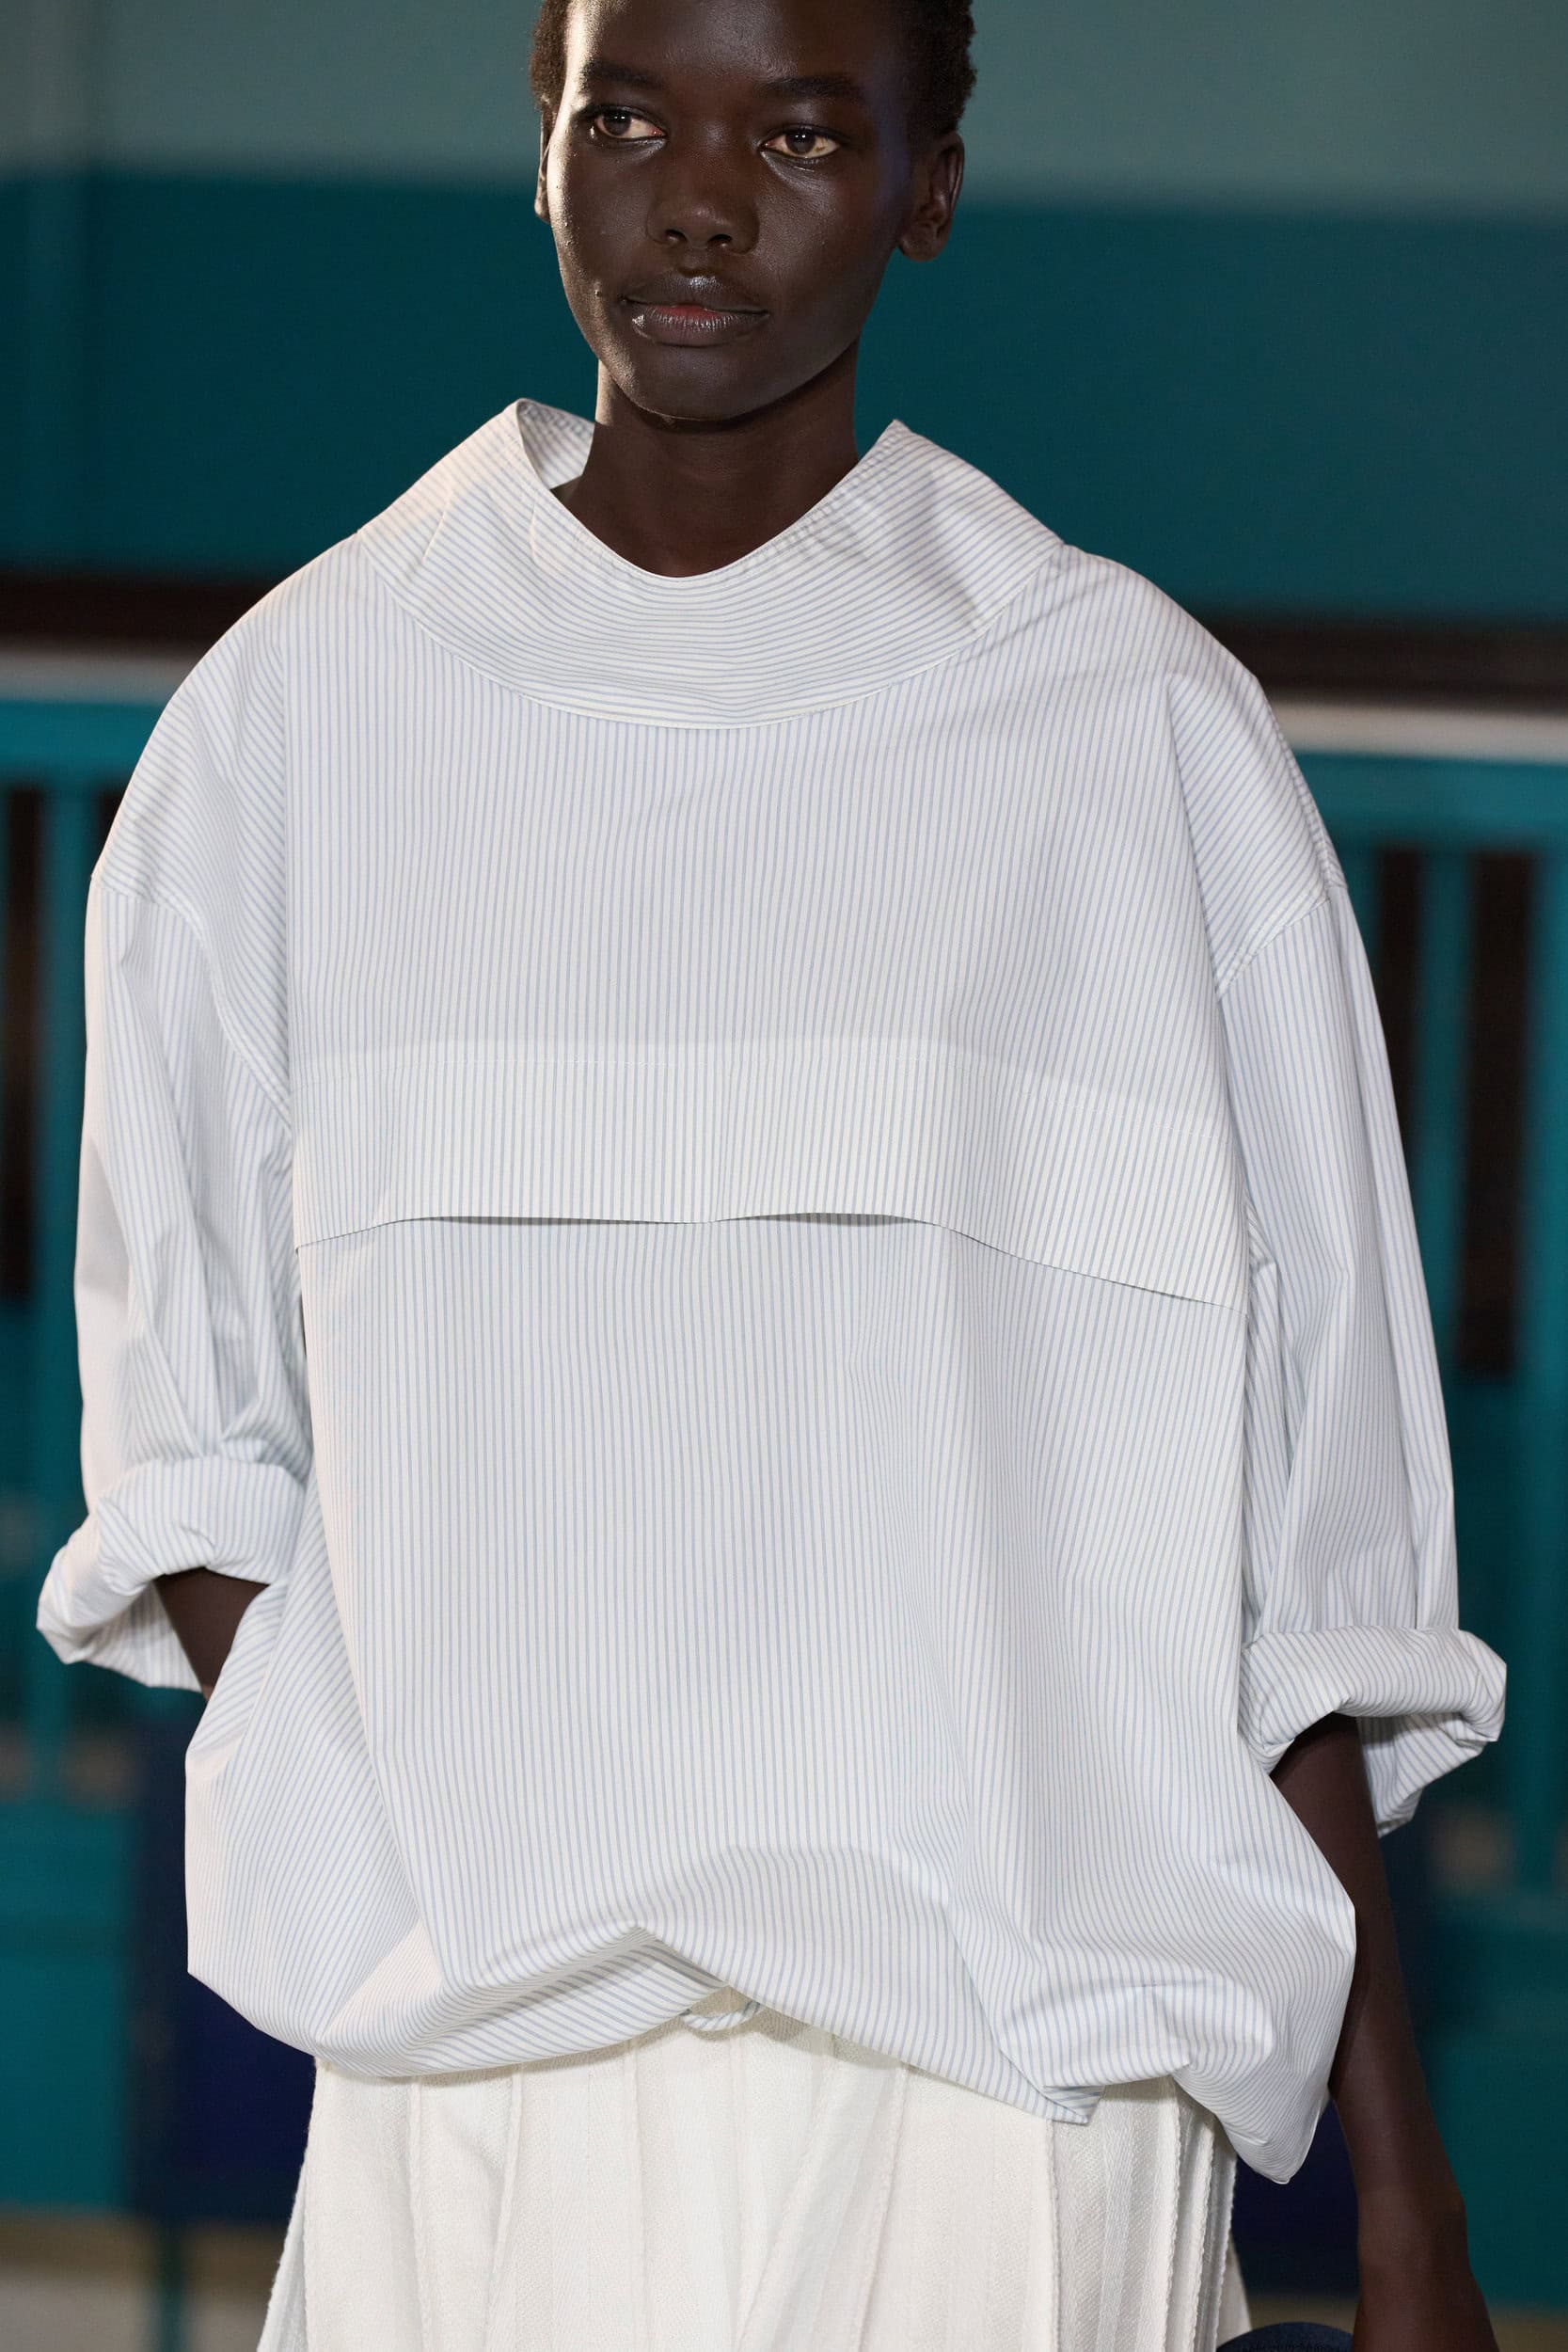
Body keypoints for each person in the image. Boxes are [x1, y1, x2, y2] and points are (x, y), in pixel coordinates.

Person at [38, 0, 1507, 2345]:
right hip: (482, 2086)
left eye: (803, 135)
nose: (700, 203)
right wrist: (407, 1802)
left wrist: (1412, 2205)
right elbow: (190, 1445)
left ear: (929, 186)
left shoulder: (1133, 738)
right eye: (627, 115)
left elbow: (1305, 1554)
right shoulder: (299, 721)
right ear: (542, 144)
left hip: (1020, 2098)